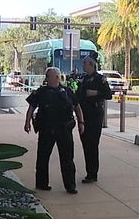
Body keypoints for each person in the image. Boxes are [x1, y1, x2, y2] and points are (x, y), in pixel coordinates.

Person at [24, 67, 85, 194]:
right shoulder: (41, 92)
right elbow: (31, 107)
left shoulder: (67, 91)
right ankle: (42, 183)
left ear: (57, 77)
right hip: (46, 130)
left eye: (48, 76)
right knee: (42, 157)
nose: (46, 78)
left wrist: (81, 122)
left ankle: (70, 186)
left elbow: (77, 107)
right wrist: (27, 122)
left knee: (67, 158)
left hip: (64, 130)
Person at [75, 55, 113, 183]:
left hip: (95, 116)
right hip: (84, 115)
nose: (83, 66)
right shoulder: (83, 79)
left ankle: (93, 173)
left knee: (92, 144)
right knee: (86, 143)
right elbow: (79, 96)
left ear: (91, 65)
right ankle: (89, 172)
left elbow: (108, 95)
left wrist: (95, 93)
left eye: (85, 63)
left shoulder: (100, 79)